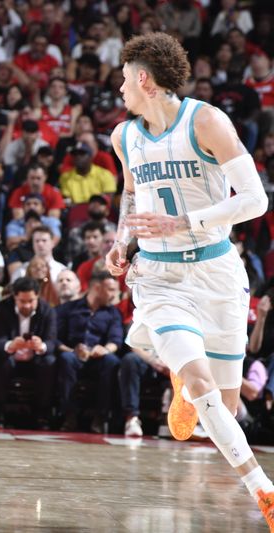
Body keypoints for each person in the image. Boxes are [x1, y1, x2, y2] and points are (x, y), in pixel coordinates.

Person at [104, 32, 274, 526]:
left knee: (224, 404)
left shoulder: (205, 120)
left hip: (216, 271)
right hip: (159, 275)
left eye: (123, 81)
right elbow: (132, 198)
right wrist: (122, 242)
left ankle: (185, 382)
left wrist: (186, 223)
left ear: (143, 79)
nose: (119, 90)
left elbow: (256, 199)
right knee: (202, 387)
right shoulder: (124, 137)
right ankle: (263, 490)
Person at [56, 271, 123, 433]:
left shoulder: (113, 313)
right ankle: (69, 416)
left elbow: (116, 341)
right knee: (65, 359)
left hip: (98, 358)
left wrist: (105, 349)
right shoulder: (67, 309)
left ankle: (100, 418)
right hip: (73, 355)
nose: (115, 294)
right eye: (111, 290)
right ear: (96, 288)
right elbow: (55, 339)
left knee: (111, 361)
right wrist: (72, 350)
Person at [0, 277, 57, 429]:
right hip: (11, 357)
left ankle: (42, 415)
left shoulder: (47, 310)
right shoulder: (2, 308)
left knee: (49, 362)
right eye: (22, 301)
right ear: (14, 297)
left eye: (31, 301)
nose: (27, 305)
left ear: (37, 297)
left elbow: (52, 342)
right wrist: (11, 345)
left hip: (36, 358)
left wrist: (41, 346)